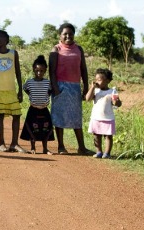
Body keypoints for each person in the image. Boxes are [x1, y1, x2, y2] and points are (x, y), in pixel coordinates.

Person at [49, 23, 93, 155]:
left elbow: (83, 69)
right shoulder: (55, 49)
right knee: (59, 116)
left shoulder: (79, 49)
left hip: (74, 87)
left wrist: (85, 86)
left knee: (76, 117)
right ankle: (61, 146)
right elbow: (51, 71)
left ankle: (82, 147)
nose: (68, 36)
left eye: (71, 33)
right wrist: (55, 87)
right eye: (65, 34)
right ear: (60, 36)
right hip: (60, 86)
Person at [19, 55, 55, 154]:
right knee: (32, 128)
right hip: (33, 109)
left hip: (44, 109)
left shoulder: (48, 83)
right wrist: (32, 95)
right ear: (33, 70)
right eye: (37, 70)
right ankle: (33, 148)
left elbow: (50, 91)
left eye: (42, 71)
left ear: (45, 71)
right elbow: (25, 89)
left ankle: (45, 148)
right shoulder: (29, 82)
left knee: (46, 128)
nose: (39, 73)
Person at [85, 68, 121, 159]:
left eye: (99, 80)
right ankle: (99, 152)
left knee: (108, 136)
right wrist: (92, 87)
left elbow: (117, 103)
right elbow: (88, 98)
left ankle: (107, 153)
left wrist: (116, 101)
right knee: (96, 135)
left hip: (108, 118)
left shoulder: (112, 91)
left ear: (108, 81)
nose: (97, 82)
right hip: (96, 117)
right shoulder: (96, 91)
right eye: (96, 79)